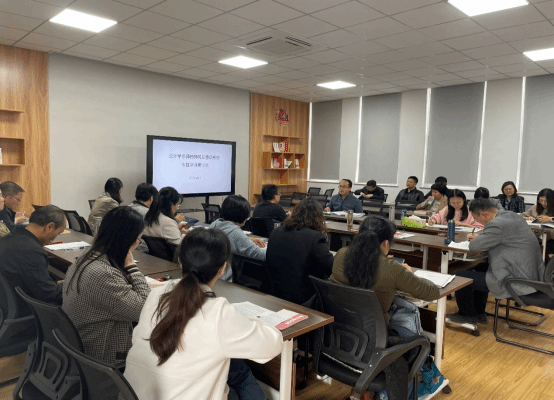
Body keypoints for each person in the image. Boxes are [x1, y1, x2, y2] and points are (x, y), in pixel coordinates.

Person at [123, 228, 283, 400]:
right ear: (223, 268)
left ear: (180, 262)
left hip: (134, 394)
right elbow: (272, 345)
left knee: (232, 367)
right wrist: (247, 320)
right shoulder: (219, 313)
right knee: (241, 372)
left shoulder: (156, 295)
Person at [330, 215, 439, 400]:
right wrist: (407, 272)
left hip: (339, 333)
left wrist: (380, 260)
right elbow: (431, 292)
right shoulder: (392, 269)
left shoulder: (341, 255)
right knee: (408, 313)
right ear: (386, 243)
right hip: (375, 340)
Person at [63, 207, 150, 365]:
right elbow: (144, 309)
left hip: (81, 344)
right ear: (127, 240)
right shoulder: (103, 273)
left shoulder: (86, 257)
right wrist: (132, 267)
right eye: (139, 239)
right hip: (104, 356)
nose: (138, 243)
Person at [447, 199, 546, 325]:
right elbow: (501, 237)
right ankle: (478, 312)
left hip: (516, 280)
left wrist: (478, 239)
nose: (478, 222)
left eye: (476, 219)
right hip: (531, 275)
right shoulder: (512, 216)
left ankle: (466, 315)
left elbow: (475, 247)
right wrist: (483, 238)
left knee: (460, 275)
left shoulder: (497, 224)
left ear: (484, 214)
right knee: (481, 267)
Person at [266, 197, 334, 306]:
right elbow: (331, 268)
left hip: (276, 292)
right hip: (305, 298)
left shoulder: (276, 232)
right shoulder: (315, 237)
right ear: (318, 218)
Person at [0, 205, 66, 314]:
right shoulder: (31, 250)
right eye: (58, 233)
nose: (53, 239)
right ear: (49, 227)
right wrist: (69, 285)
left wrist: (54, 284)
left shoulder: (8, 239)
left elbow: (33, 280)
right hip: (26, 312)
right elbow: (49, 295)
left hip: (6, 307)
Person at [210, 195, 266, 281]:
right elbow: (261, 255)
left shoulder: (215, 224)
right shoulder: (235, 233)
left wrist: (248, 239)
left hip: (212, 274)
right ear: (242, 216)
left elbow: (229, 237)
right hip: (224, 278)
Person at [522, 188, 554, 261]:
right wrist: (527, 218)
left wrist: (550, 219)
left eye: (546, 201)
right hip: (537, 238)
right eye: (541, 201)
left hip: (551, 239)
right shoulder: (535, 208)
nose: (543, 203)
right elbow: (522, 215)